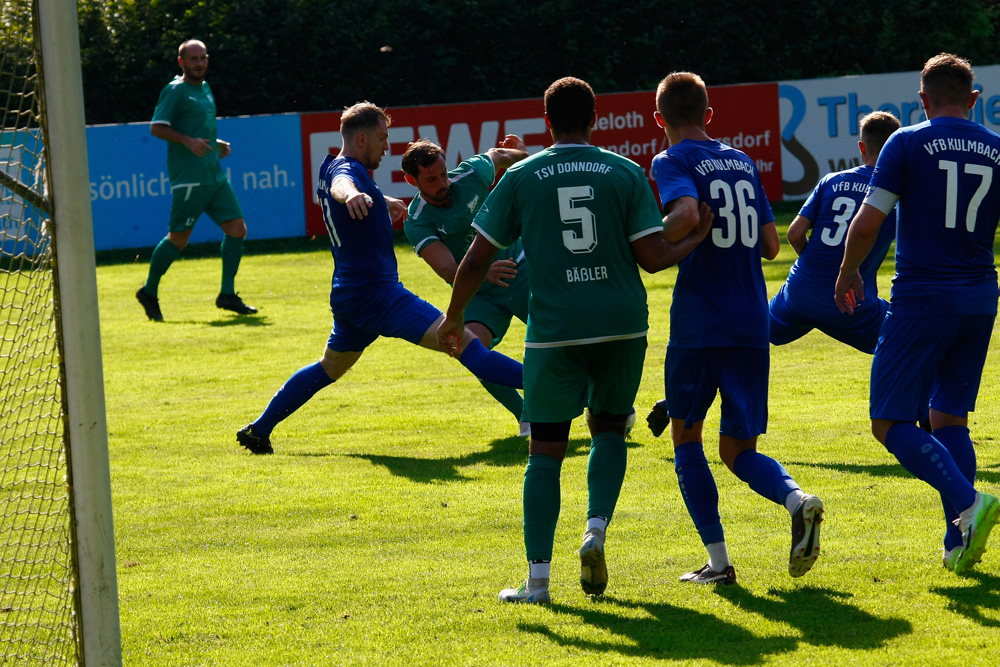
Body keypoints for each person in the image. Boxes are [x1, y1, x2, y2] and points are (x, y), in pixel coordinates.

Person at [438, 77, 713, 604]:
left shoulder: (521, 174)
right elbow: (653, 257)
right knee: (609, 430)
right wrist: (696, 238)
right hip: (623, 324)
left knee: (545, 452)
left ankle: (538, 583)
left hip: (557, 330)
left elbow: (476, 257)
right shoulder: (626, 170)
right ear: (595, 117)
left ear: (546, 120)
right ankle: (595, 531)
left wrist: (454, 316)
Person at [237, 102, 523, 454]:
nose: (387, 147)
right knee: (462, 344)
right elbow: (343, 186)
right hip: (381, 297)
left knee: (329, 367)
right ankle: (565, 391)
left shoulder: (329, 166)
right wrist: (355, 194)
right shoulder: (347, 173)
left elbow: (335, 185)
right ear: (362, 138)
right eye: (383, 138)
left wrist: (376, 197)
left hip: (349, 296)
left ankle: (258, 429)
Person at [647, 71, 824, 585]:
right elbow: (770, 245)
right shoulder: (743, 161)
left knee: (687, 440)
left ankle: (719, 563)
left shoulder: (672, 159)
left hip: (701, 322)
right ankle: (797, 498)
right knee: (737, 451)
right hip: (752, 321)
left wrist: (654, 235)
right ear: (709, 113)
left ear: (659, 119)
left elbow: (681, 217)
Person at [835, 53, 1000, 575]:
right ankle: (958, 540)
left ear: (922, 100)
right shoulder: (997, 148)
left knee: (888, 421)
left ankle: (970, 504)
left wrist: (847, 273)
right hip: (978, 298)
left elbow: (868, 221)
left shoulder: (906, 141)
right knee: (950, 415)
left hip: (923, 298)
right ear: (974, 100)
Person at [402, 137, 530, 435]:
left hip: (520, 269)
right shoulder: (417, 220)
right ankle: (525, 413)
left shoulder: (471, 173)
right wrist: (482, 272)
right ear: (411, 180)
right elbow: (447, 269)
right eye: (431, 179)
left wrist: (520, 152)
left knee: (558, 337)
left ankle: (605, 405)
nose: (443, 183)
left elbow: (501, 155)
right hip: (479, 291)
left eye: (444, 174)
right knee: (470, 348)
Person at [136, 39, 257, 321]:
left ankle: (227, 294)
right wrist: (187, 142)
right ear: (181, 62)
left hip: (213, 175)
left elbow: (196, 129)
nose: (200, 63)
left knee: (237, 228)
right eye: (193, 59)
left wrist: (215, 144)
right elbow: (157, 127)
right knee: (179, 238)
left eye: (203, 58)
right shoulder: (175, 90)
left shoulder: (204, 88)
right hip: (189, 179)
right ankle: (149, 291)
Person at [769, 111, 900, 353]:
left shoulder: (831, 180)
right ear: (897, 148)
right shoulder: (896, 194)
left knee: (755, 329)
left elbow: (794, 234)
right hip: (852, 305)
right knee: (907, 344)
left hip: (800, 293)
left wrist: (818, 266)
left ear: (862, 147)